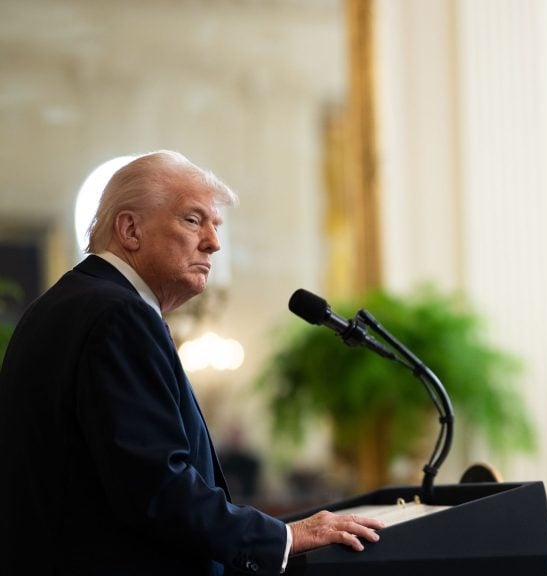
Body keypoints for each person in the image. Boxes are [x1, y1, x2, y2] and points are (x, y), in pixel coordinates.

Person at [0, 150, 384, 575]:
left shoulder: (64, 305)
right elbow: (155, 488)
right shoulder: (117, 316)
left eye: (215, 225)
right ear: (130, 229)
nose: (213, 242)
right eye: (192, 220)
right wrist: (287, 536)